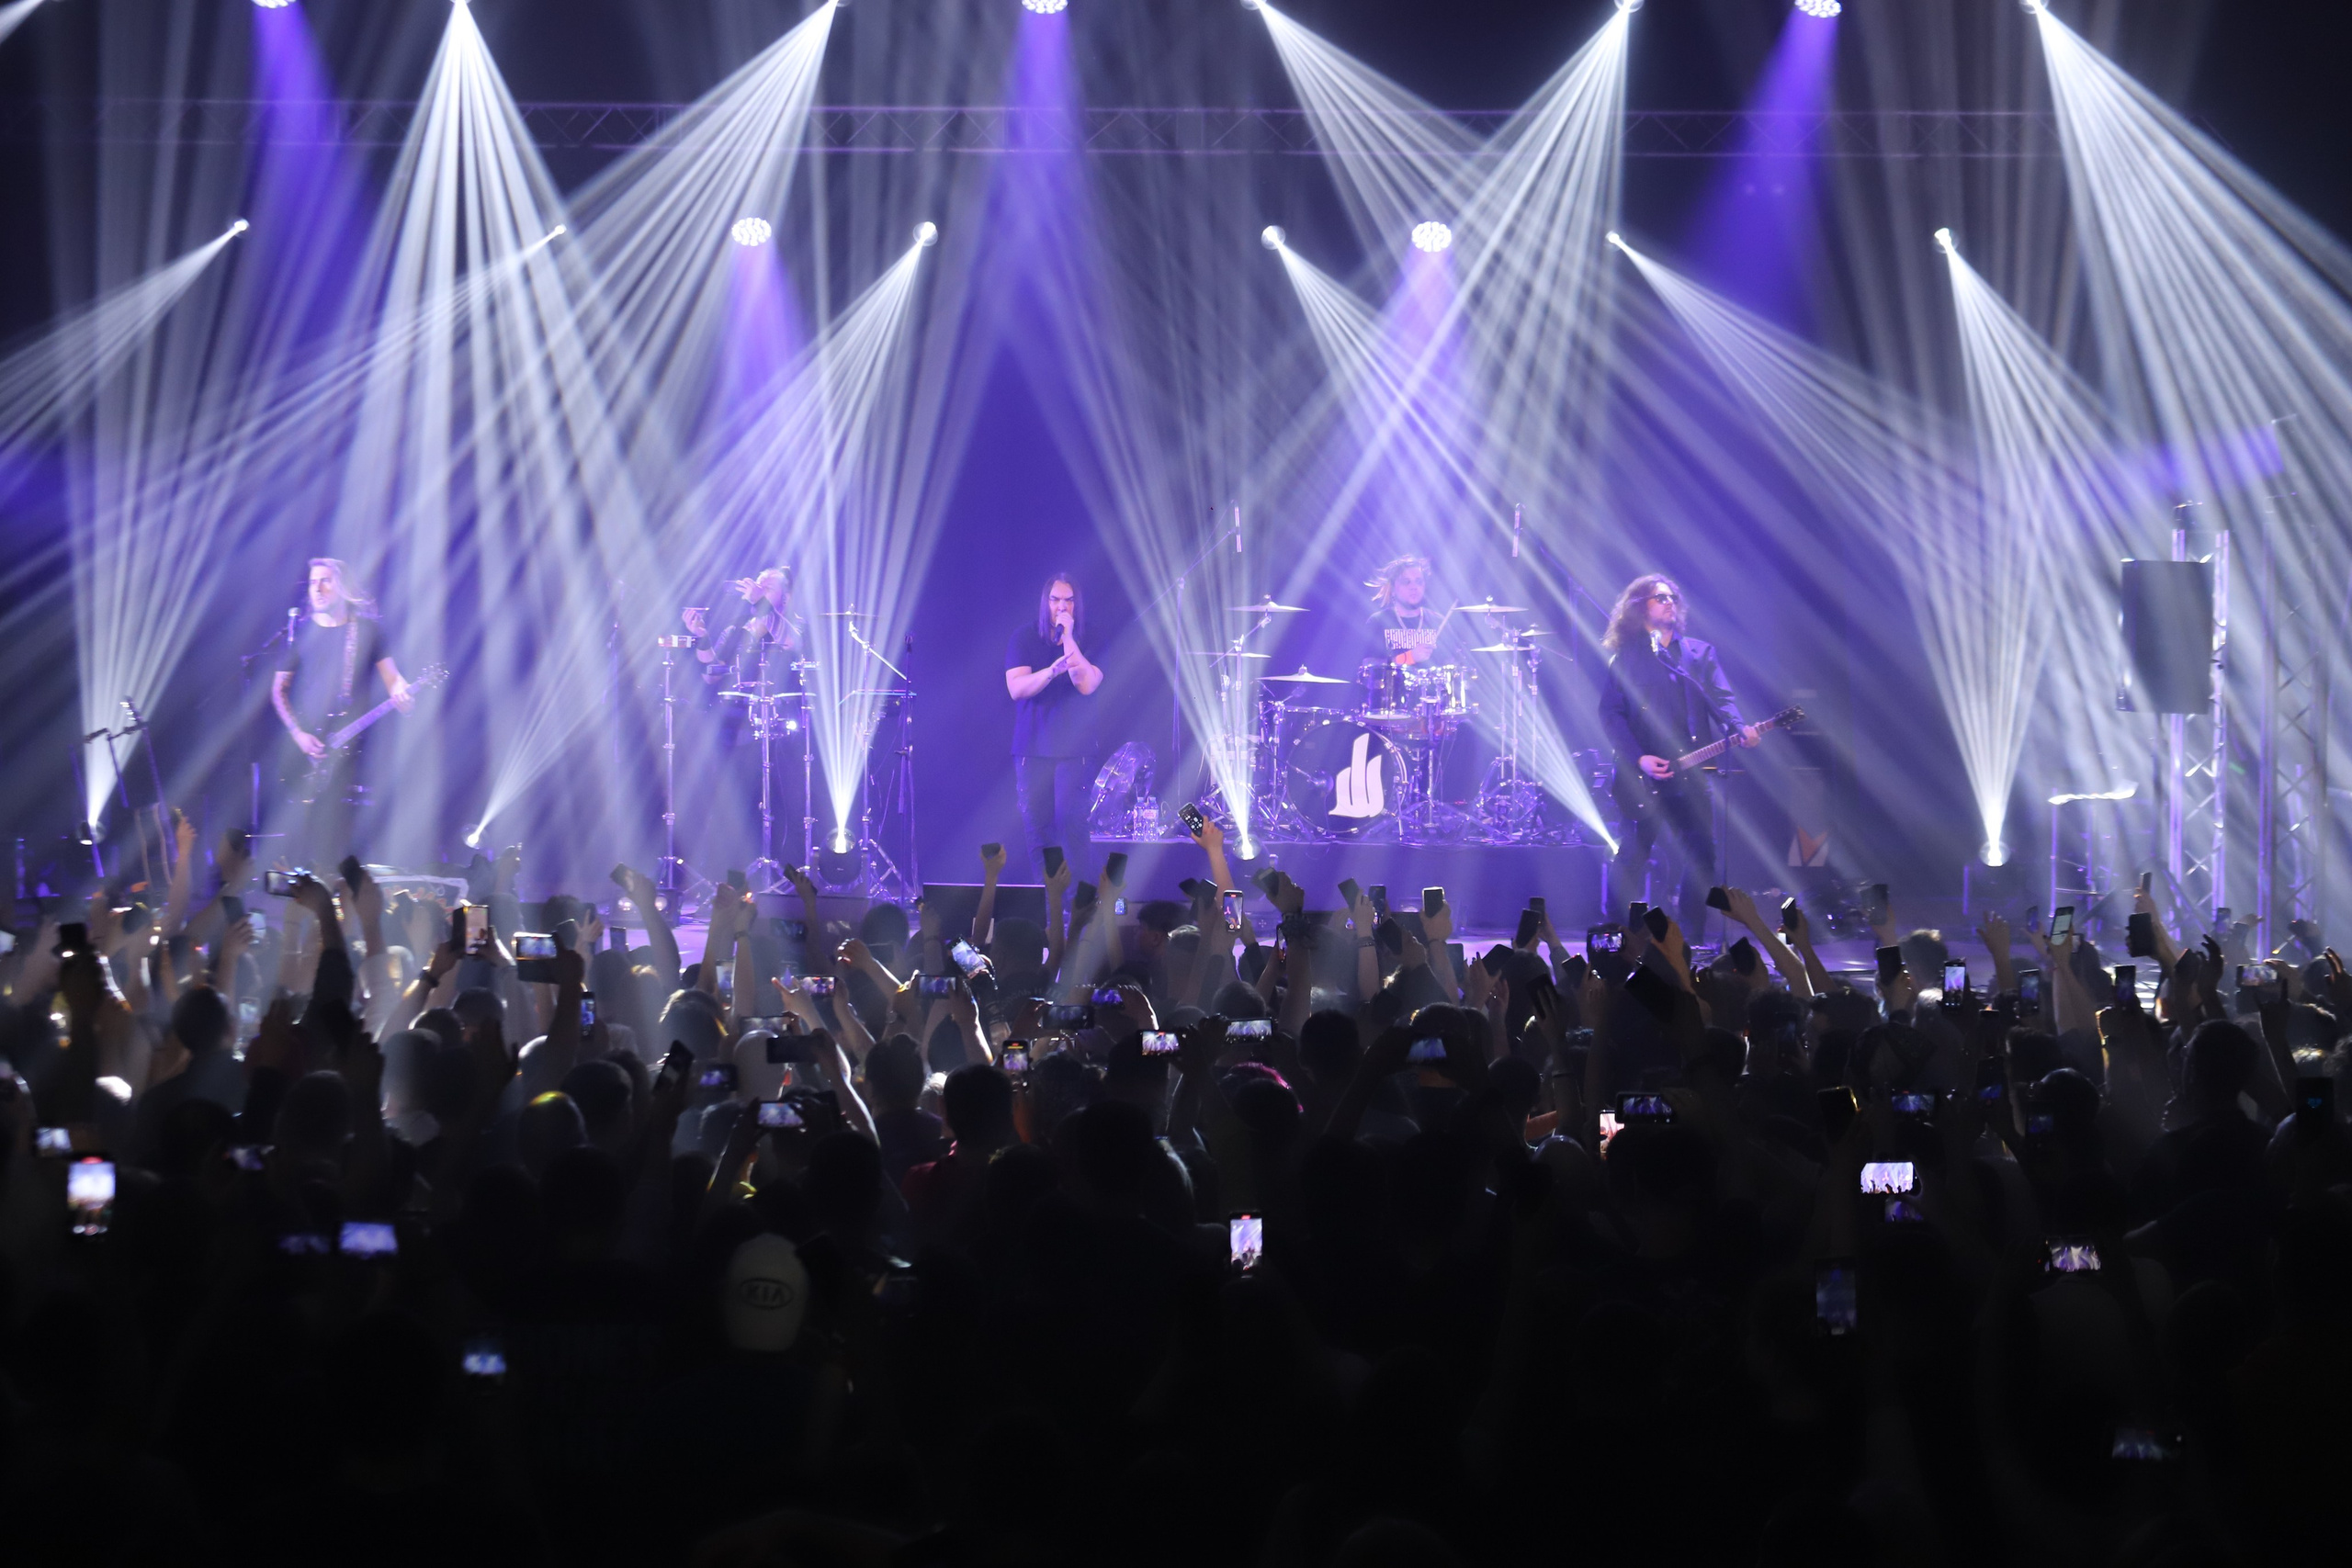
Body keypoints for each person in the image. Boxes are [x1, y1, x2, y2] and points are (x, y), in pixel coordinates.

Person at [1598, 573, 1757, 934]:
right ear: (1640, 608)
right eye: (1659, 597)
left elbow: (1722, 698)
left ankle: (1692, 938)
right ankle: (1615, 934)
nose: (1669, 602)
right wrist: (1639, 758)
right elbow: (1610, 713)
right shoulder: (1627, 658)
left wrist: (1739, 727)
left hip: (1692, 771)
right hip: (1643, 774)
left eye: (1672, 597)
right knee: (1634, 854)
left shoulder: (1699, 654)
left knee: (1703, 855)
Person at [272, 557, 414, 864]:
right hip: (306, 747)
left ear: (343, 587)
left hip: (349, 746)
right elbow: (278, 690)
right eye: (313, 582)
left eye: (326, 580)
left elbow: (393, 678)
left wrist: (401, 690)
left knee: (336, 827)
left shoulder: (366, 631)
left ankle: (335, 890)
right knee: (302, 825)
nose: (318, 588)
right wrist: (298, 734)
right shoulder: (302, 633)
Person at [1004, 571, 1102, 877]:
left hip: (1075, 750)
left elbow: (1085, 684)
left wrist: (1068, 638)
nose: (1062, 607)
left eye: (1069, 601)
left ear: (1077, 605)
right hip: (1032, 749)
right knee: (1038, 831)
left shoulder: (1091, 636)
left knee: (1072, 826)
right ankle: (1049, 906)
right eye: (1056, 600)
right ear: (1046, 602)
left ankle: (1078, 909)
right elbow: (1016, 689)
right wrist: (1050, 671)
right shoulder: (1024, 637)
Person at [1365, 554, 1449, 668]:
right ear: (1393, 589)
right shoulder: (1378, 621)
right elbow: (1368, 665)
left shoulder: (1438, 622)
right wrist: (1409, 657)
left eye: (1418, 581)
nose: (1414, 587)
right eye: (1406, 582)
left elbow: (1452, 664)